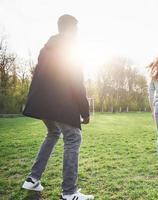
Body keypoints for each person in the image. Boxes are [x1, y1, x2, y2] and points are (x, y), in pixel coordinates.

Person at [21, 14, 94, 200]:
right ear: (70, 29)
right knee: (73, 138)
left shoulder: (46, 48)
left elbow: (38, 75)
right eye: (76, 29)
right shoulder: (71, 48)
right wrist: (85, 112)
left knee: (53, 133)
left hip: (43, 103)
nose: (77, 33)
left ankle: (33, 178)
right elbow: (76, 82)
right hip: (61, 103)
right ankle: (69, 192)